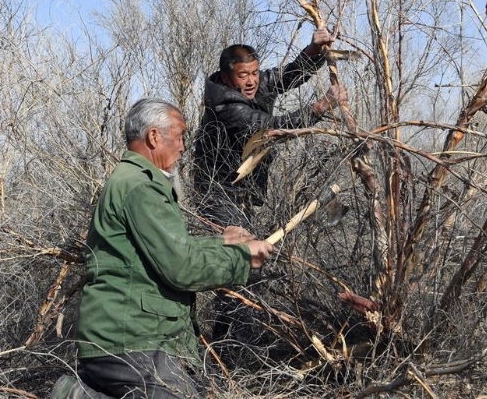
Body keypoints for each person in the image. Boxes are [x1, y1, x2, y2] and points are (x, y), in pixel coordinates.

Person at [50, 98, 274, 399]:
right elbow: (182, 267)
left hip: (121, 336)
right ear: (154, 136)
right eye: (180, 136)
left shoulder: (131, 181)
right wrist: (243, 259)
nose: (183, 147)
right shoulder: (141, 186)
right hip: (131, 339)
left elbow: (164, 251)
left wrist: (223, 242)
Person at [192, 27, 348, 229]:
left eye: (255, 73)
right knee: (235, 252)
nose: (251, 81)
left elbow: (289, 76)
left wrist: (313, 50)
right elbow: (273, 128)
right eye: (243, 75)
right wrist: (320, 107)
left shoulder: (255, 83)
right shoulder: (226, 107)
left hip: (243, 194)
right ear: (225, 77)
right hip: (219, 198)